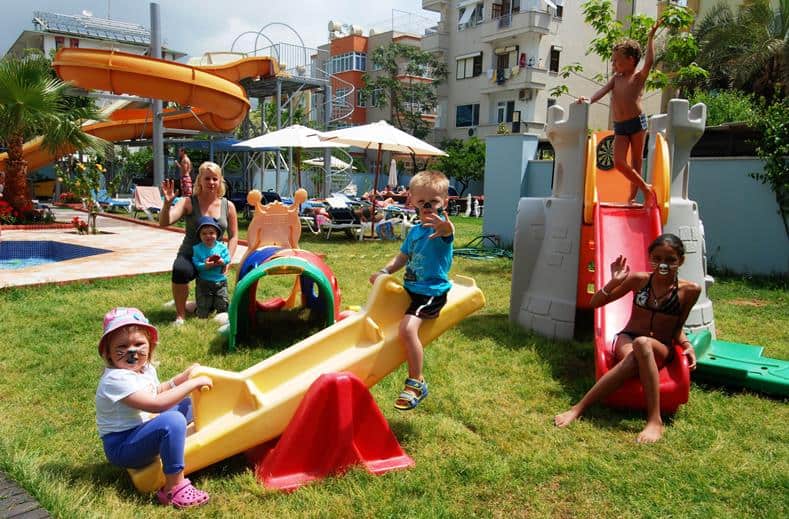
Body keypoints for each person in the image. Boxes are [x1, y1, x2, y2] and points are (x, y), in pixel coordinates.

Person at [554, 233, 701, 443]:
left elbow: (677, 327)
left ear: (681, 261)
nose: (663, 264)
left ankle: (579, 409)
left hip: (660, 346)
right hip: (628, 339)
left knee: (643, 345)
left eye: (670, 260)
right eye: (657, 258)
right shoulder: (639, 280)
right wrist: (614, 282)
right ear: (650, 258)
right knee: (638, 349)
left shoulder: (690, 290)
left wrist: (687, 345)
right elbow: (595, 303)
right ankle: (653, 420)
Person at [95, 307, 213, 509]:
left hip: (140, 429)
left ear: (150, 346)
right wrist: (191, 384)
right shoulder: (115, 379)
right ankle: (174, 487)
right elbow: (157, 404)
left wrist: (182, 378)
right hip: (123, 446)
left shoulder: (144, 369)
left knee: (188, 405)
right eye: (122, 346)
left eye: (139, 344)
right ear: (108, 352)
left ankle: (199, 438)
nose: (132, 351)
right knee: (173, 421)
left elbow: (156, 391)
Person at [369, 170, 455, 411]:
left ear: (444, 202)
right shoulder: (415, 231)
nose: (428, 206)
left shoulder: (441, 229)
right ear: (412, 201)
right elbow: (402, 257)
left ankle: (417, 382)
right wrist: (385, 271)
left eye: (434, 201)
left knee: (407, 329)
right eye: (422, 201)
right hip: (410, 289)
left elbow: (448, 231)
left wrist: (446, 227)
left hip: (430, 292)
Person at [577, 19, 663, 204]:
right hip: (620, 126)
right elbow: (602, 90)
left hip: (637, 123)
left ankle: (632, 198)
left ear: (630, 60)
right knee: (619, 162)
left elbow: (649, 61)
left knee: (636, 162)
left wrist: (650, 37)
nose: (613, 64)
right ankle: (646, 188)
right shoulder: (616, 79)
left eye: (616, 61)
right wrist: (590, 100)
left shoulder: (638, 77)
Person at [160, 161, 238, 326]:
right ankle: (180, 316)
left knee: (212, 304)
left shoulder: (228, 206)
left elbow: (233, 236)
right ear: (199, 180)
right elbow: (165, 222)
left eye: (215, 179)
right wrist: (167, 205)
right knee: (180, 270)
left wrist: (228, 259)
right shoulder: (188, 202)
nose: (211, 182)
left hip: (215, 257)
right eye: (207, 178)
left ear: (220, 181)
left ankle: (194, 304)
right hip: (190, 254)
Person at [192, 216, 231, 318]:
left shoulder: (222, 247)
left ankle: (222, 314)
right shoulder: (197, 249)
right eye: (204, 233)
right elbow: (196, 263)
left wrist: (223, 261)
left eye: (211, 233)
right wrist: (205, 265)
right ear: (199, 235)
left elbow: (228, 258)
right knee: (204, 302)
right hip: (204, 281)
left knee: (222, 300)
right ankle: (203, 312)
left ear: (217, 234)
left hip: (220, 280)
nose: (208, 236)